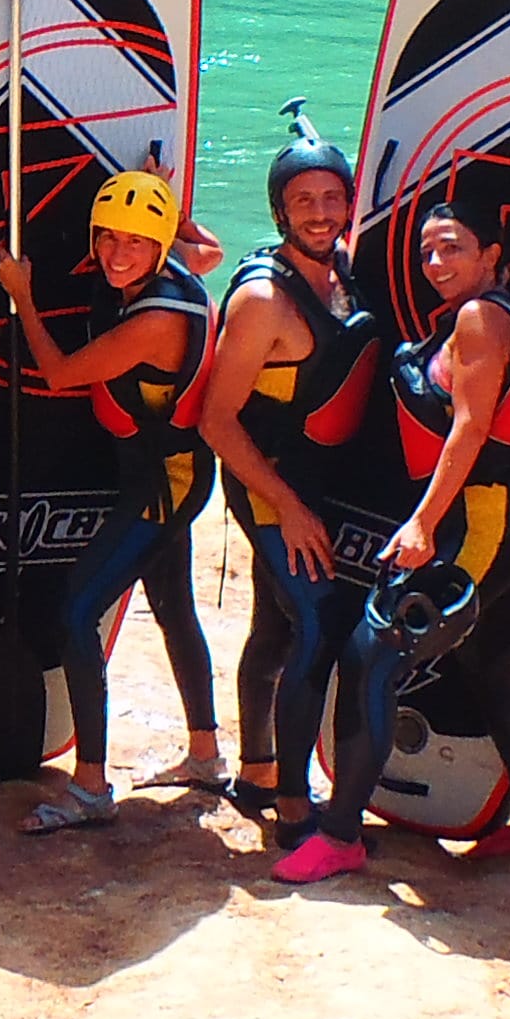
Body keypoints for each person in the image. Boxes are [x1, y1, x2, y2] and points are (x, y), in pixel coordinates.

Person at [269, 195, 510, 883]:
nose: (436, 262)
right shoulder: (495, 316)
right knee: (493, 665)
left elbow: (469, 427)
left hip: (481, 514)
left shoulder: (480, 318)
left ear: (491, 255)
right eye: (428, 250)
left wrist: (425, 522)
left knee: (370, 656)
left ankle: (341, 834)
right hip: (501, 510)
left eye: (453, 248)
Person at [0, 168, 221, 833]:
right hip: (159, 472)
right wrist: (170, 216)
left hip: (164, 483)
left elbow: (62, 373)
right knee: (175, 608)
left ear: (156, 250)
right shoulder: (177, 265)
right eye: (109, 240)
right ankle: (205, 756)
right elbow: (208, 252)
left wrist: (23, 296)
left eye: (137, 243)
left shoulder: (154, 320)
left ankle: (90, 785)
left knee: (77, 610)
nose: (119, 256)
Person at [189, 107, 389, 824]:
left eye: (331, 197)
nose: (320, 211)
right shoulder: (263, 300)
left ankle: (256, 773)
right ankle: (296, 807)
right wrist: (291, 508)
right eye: (303, 200)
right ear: (280, 210)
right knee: (317, 621)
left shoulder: (344, 274)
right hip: (270, 482)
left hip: (320, 480)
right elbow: (216, 419)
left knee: (274, 627)